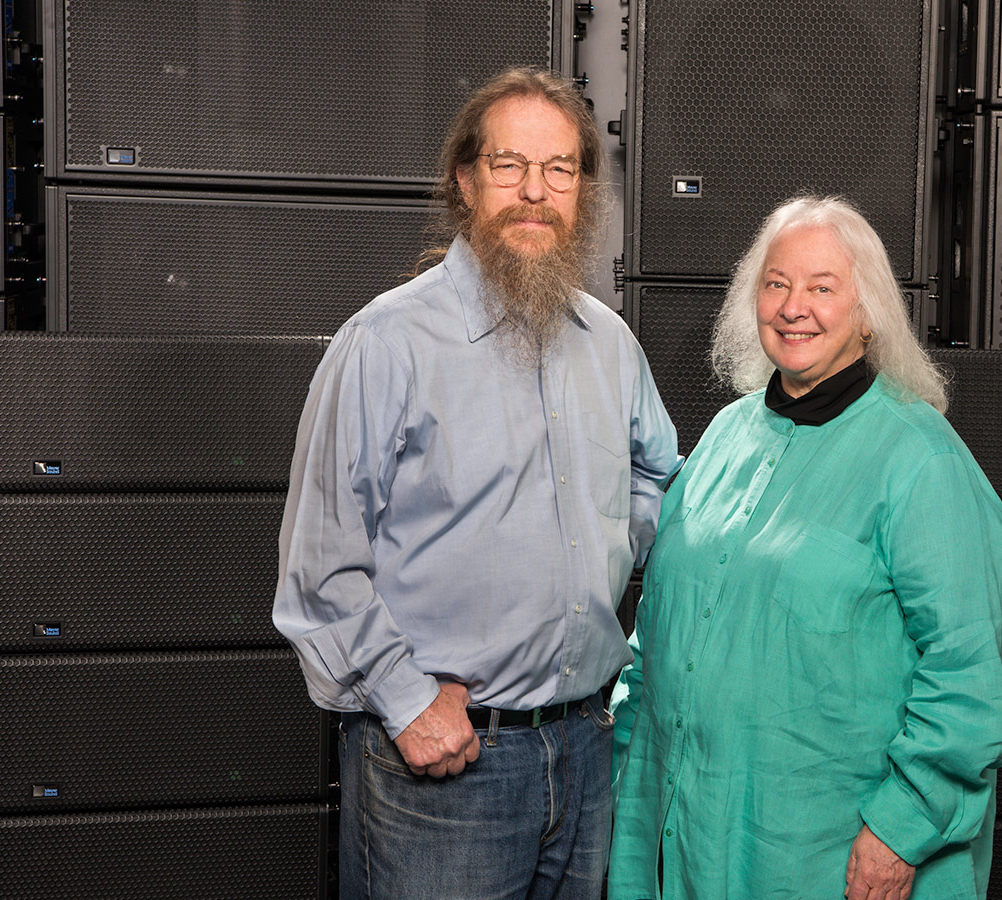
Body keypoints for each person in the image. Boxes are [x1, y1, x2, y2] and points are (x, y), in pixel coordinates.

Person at [272, 67, 679, 900]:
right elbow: (318, 566)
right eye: (509, 166)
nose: (536, 192)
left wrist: (609, 540)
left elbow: (656, 473)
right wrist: (407, 701)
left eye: (560, 169)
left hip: (586, 750)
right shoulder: (386, 342)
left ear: (584, 191)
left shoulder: (608, 343)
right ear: (465, 181)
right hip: (449, 767)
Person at [609, 196, 1002, 900]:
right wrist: (624, 785)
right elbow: (657, 639)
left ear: (867, 314)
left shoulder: (922, 461)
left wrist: (900, 830)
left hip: (834, 858)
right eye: (777, 284)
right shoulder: (723, 437)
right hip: (685, 840)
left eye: (823, 288)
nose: (795, 306)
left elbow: (968, 678)